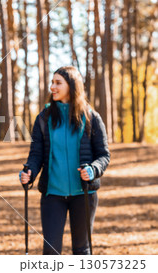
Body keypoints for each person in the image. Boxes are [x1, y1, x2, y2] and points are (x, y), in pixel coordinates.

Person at [20, 66, 110, 255]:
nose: (52, 87)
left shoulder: (91, 117)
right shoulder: (44, 118)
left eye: (58, 83)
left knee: (81, 250)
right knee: (51, 250)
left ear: (72, 86)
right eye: (52, 82)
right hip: (53, 194)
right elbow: (36, 155)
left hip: (84, 194)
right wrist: (29, 172)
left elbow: (103, 155)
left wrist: (93, 169)